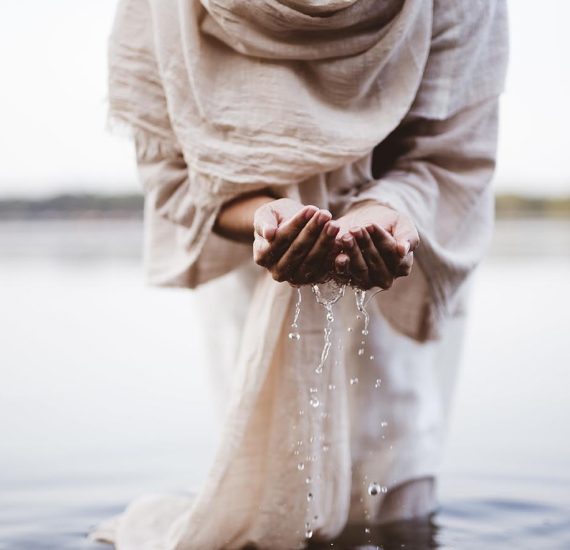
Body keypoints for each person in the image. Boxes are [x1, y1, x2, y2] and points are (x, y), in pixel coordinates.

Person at [91, 0, 508, 548]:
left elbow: (449, 152)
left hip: (410, 233)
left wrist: (385, 213)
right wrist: (262, 216)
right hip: (248, 251)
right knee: (275, 457)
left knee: (398, 475)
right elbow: (172, 165)